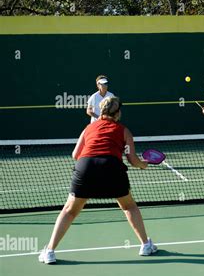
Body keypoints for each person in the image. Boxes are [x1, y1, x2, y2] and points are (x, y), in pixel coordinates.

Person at [39, 97, 157, 264]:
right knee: (128, 206)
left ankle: (49, 251)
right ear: (117, 113)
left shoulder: (88, 128)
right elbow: (132, 160)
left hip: (85, 167)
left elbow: (75, 155)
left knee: (69, 210)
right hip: (112, 167)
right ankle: (146, 245)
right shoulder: (124, 131)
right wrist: (143, 165)